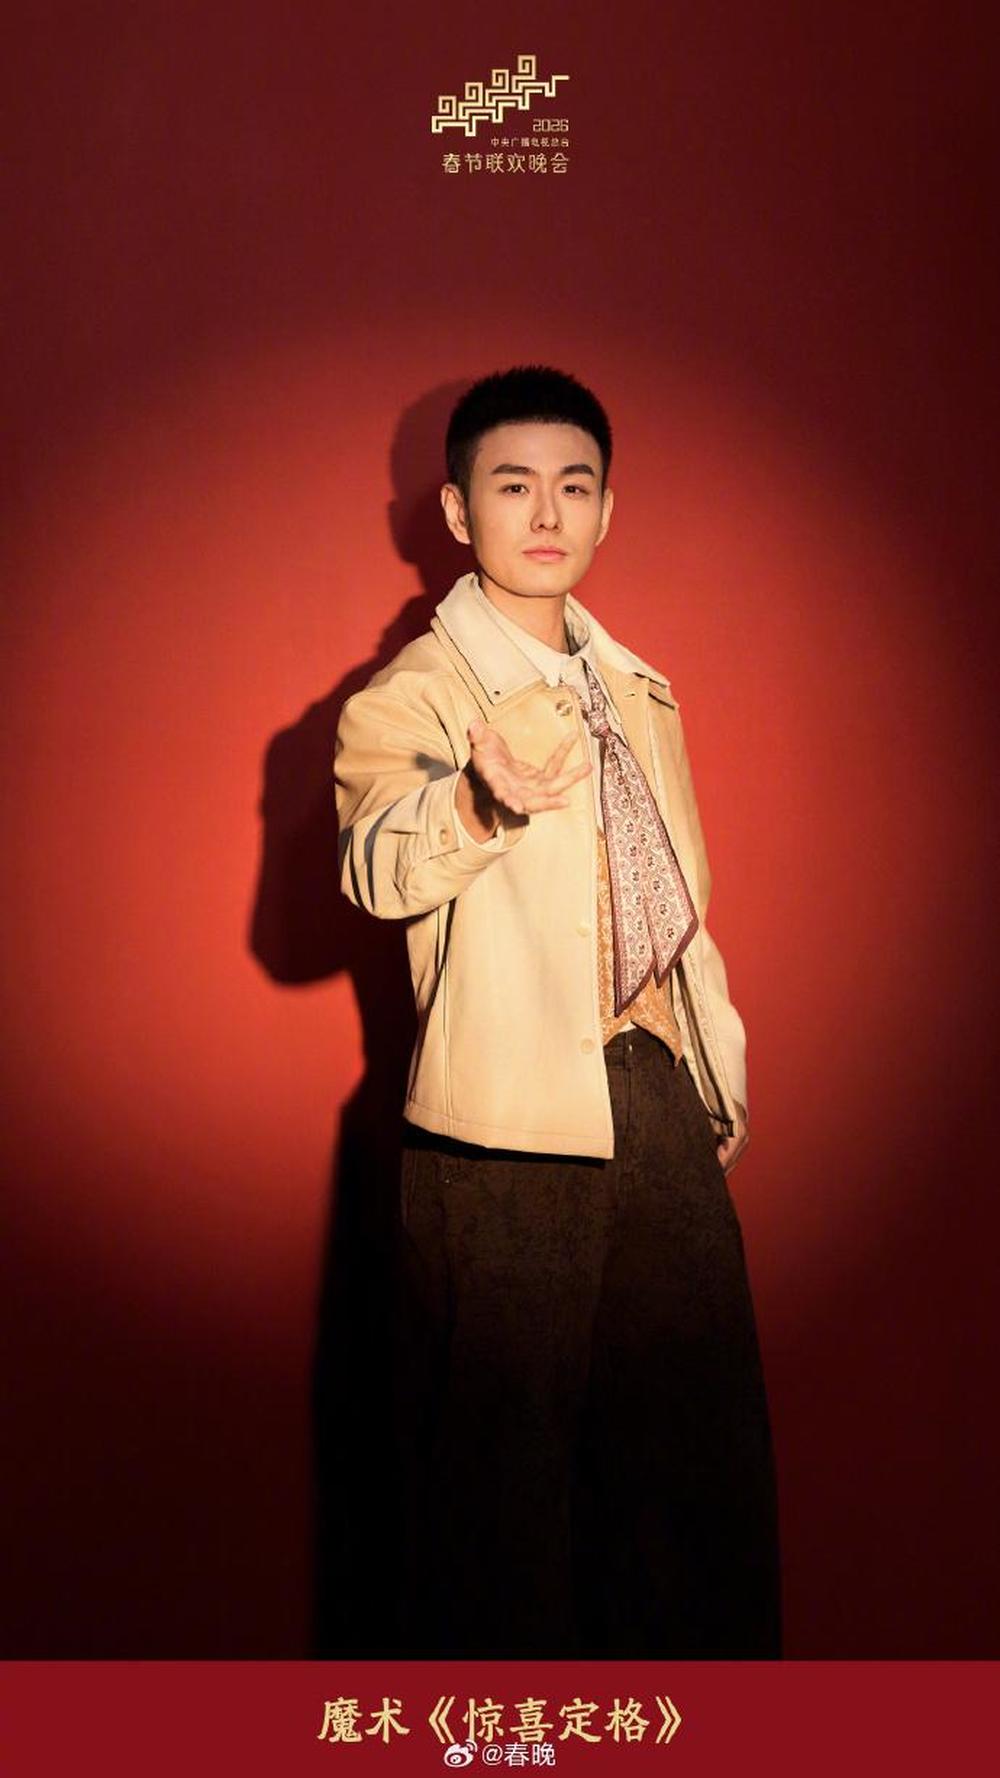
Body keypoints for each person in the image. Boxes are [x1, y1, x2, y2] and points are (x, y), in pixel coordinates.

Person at [333, 364, 782, 1657]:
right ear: (457, 511)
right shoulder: (416, 691)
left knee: (700, 1479)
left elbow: (678, 897)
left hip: (656, 1104)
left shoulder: (641, 688)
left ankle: (701, 1738)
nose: (546, 513)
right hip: (504, 1133)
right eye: (513, 485)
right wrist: (479, 800)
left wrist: (710, 1075)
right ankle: (499, 1739)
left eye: (574, 487)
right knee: (498, 1495)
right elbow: (374, 863)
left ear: (606, 511)